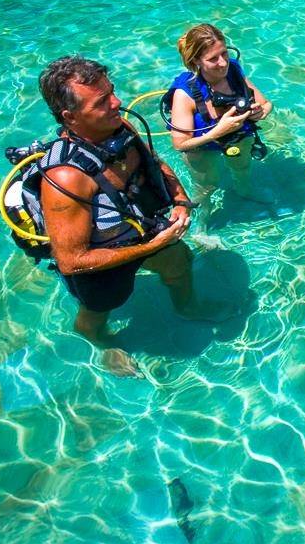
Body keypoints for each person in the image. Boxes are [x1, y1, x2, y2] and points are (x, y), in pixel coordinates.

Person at [37, 56, 200, 377]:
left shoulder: (120, 127)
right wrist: (151, 246)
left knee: (180, 262)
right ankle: (102, 344)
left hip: (143, 230)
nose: (117, 102)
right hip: (99, 261)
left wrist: (180, 201)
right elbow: (71, 261)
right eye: (102, 101)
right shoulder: (66, 178)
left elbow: (156, 163)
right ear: (70, 117)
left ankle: (188, 307)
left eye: (112, 91)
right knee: (97, 314)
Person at [167, 23, 273, 204]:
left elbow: (266, 103)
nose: (223, 63)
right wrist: (216, 133)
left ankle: (244, 192)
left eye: (224, 53)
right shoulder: (184, 94)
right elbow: (180, 144)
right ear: (196, 61)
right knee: (206, 187)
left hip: (238, 136)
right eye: (213, 58)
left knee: (243, 169)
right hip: (201, 147)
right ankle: (203, 220)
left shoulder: (233, 70)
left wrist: (259, 113)